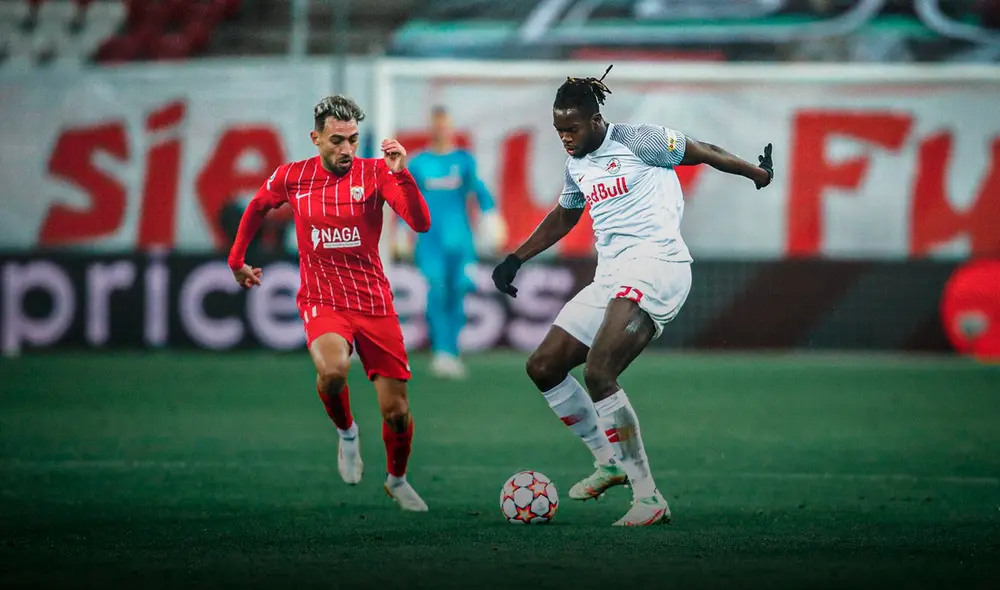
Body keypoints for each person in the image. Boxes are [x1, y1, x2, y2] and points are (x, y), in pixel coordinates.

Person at [491, 66, 774, 526]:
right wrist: (515, 258)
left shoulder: (640, 141)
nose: (565, 138)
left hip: (659, 264)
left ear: (595, 119)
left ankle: (648, 498)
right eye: (559, 130)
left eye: (572, 128)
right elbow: (565, 216)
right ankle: (609, 462)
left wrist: (756, 172)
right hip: (612, 275)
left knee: (599, 371)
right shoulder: (577, 164)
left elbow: (705, 151)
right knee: (543, 367)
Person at [227, 96, 432, 512]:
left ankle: (396, 479)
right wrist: (236, 260)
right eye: (337, 140)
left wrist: (403, 174)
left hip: (373, 302)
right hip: (323, 300)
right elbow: (257, 206)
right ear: (316, 138)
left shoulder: (376, 172)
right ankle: (347, 433)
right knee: (334, 370)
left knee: (396, 411)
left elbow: (420, 223)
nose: (346, 149)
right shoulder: (293, 176)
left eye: (353, 139)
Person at [406, 106, 506, 379]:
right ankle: (441, 352)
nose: (442, 130)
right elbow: (407, 200)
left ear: (451, 128)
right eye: (437, 125)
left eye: (445, 125)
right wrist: (401, 230)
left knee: (459, 291)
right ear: (431, 128)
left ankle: (452, 350)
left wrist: (491, 217)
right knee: (437, 290)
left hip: (460, 241)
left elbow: (480, 192)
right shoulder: (419, 163)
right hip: (430, 242)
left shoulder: (464, 161)